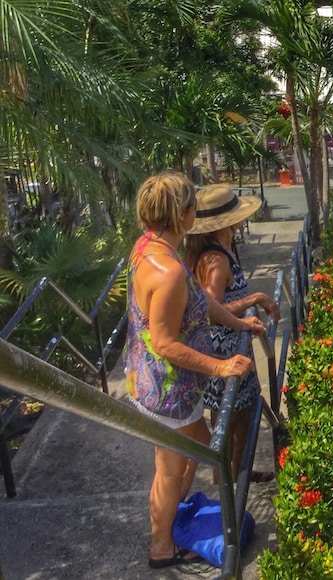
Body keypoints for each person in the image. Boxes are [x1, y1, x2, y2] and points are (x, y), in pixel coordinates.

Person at [124, 172, 263, 569]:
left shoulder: (150, 247)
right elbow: (166, 342)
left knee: (193, 455)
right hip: (169, 391)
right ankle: (162, 547)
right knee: (172, 468)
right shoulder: (167, 271)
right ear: (182, 214)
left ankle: (172, 521)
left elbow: (200, 301)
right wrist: (220, 365)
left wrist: (240, 323)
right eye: (192, 208)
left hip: (155, 382)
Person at [184, 184, 279, 485]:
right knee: (234, 417)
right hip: (223, 349)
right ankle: (230, 481)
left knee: (239, 415)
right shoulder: (216, 259)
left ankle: (233, 475)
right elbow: (210, 308)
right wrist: (254, 299)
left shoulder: (224, 249)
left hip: (232, 344)